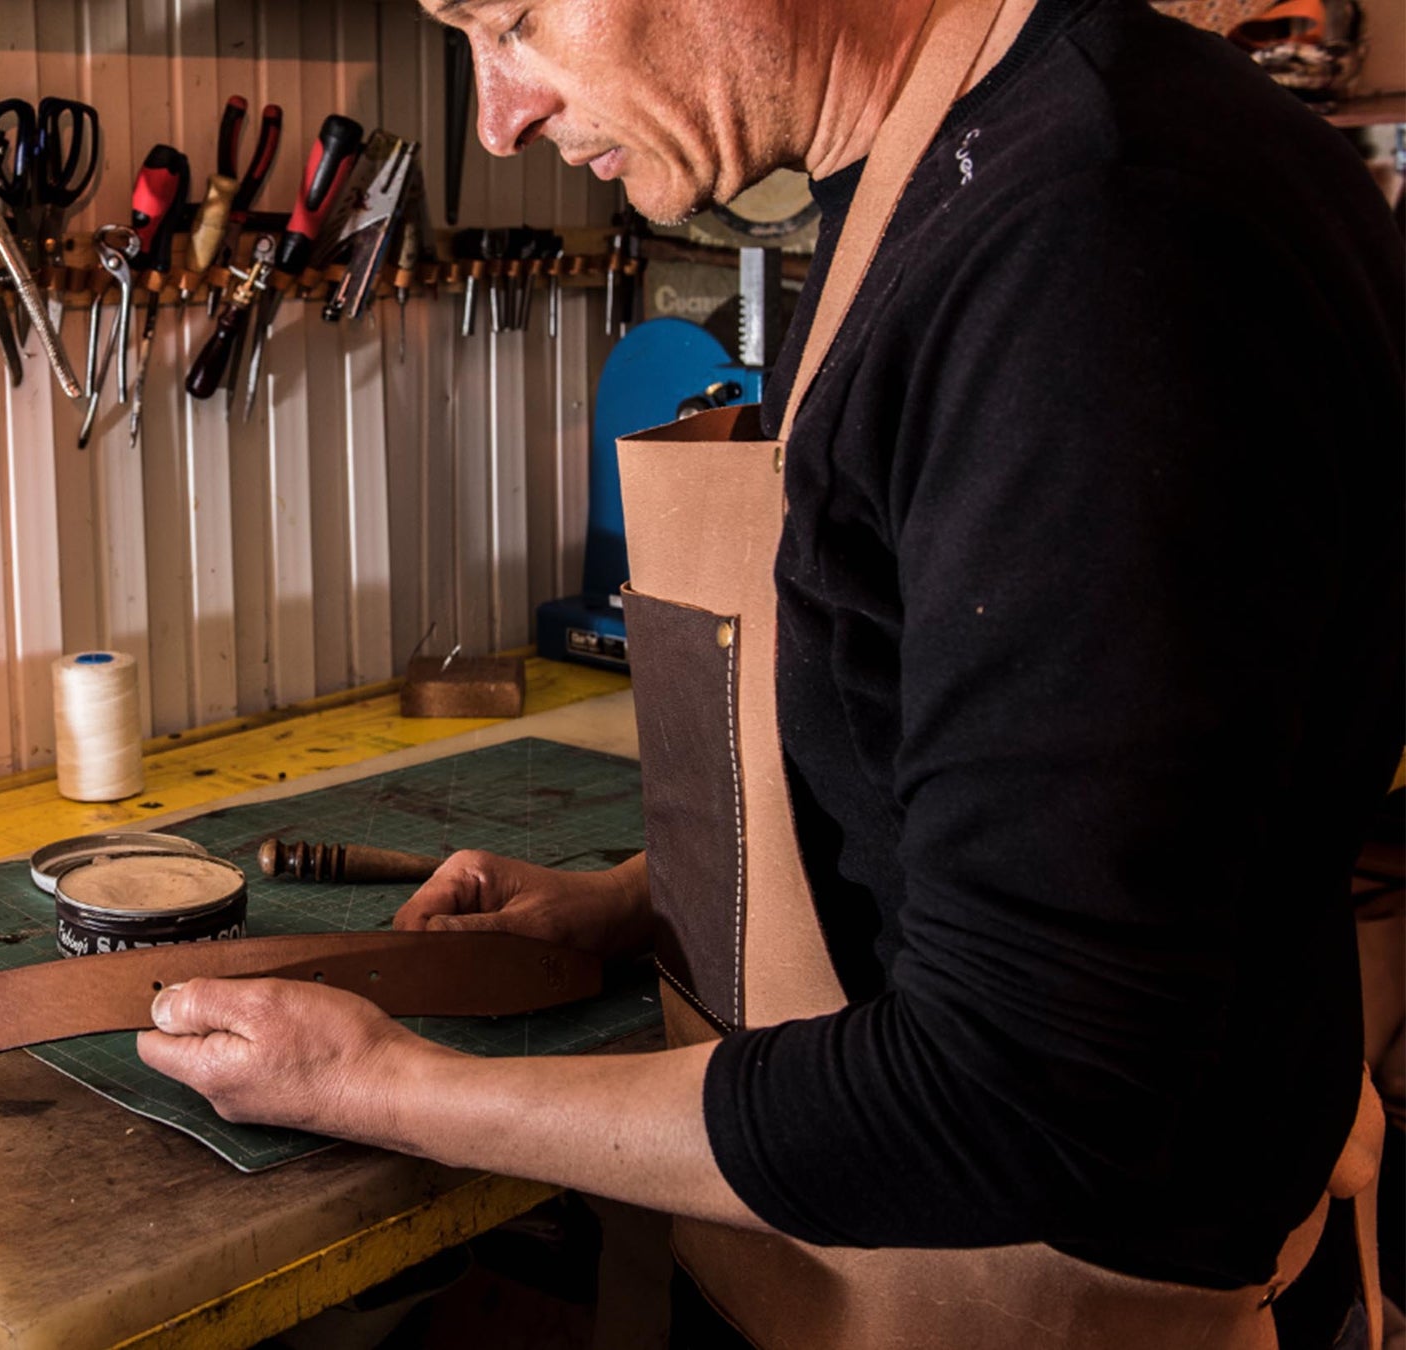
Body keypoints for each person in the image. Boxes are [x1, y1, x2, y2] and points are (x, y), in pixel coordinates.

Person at [136, 0, 1405, 1344]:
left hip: (1059, 1292)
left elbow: (1021, 1088)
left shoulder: (1093, 241)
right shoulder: (942, 169)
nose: (499, 113)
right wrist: (625, 903)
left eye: (510, 23)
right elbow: (992, 758)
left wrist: (387, 1086)